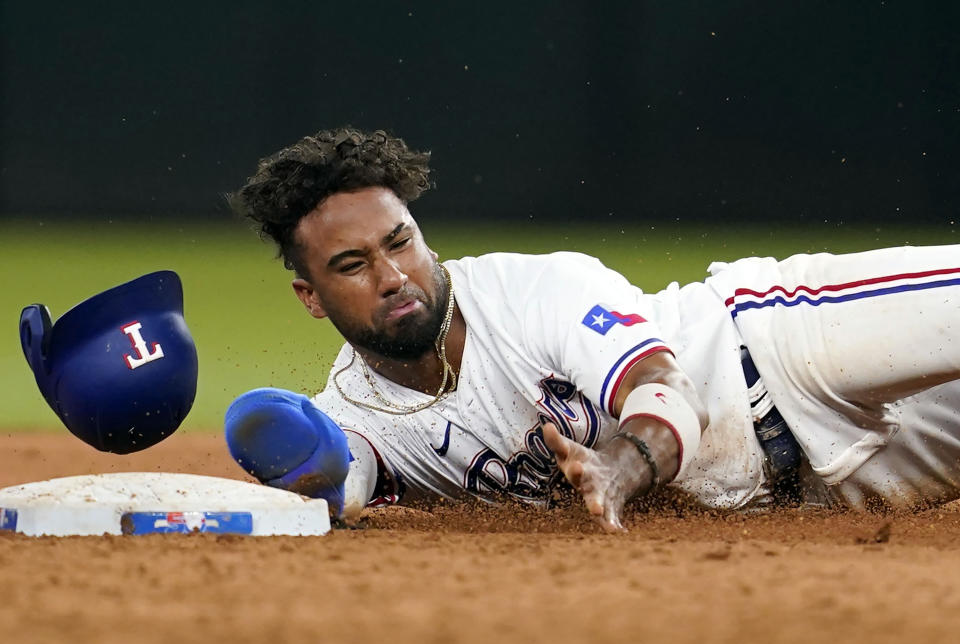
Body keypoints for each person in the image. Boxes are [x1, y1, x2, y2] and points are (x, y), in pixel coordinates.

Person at [225, 127, 960, 532]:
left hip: (784, 350)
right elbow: (343, 482)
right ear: (310, 296)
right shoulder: (360, 415)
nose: (392, 275)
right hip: (835, 492)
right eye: (352, 264)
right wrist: (300, 461)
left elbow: (665, 387)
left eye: (400, 240)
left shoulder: (531, 292)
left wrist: (624, 467)